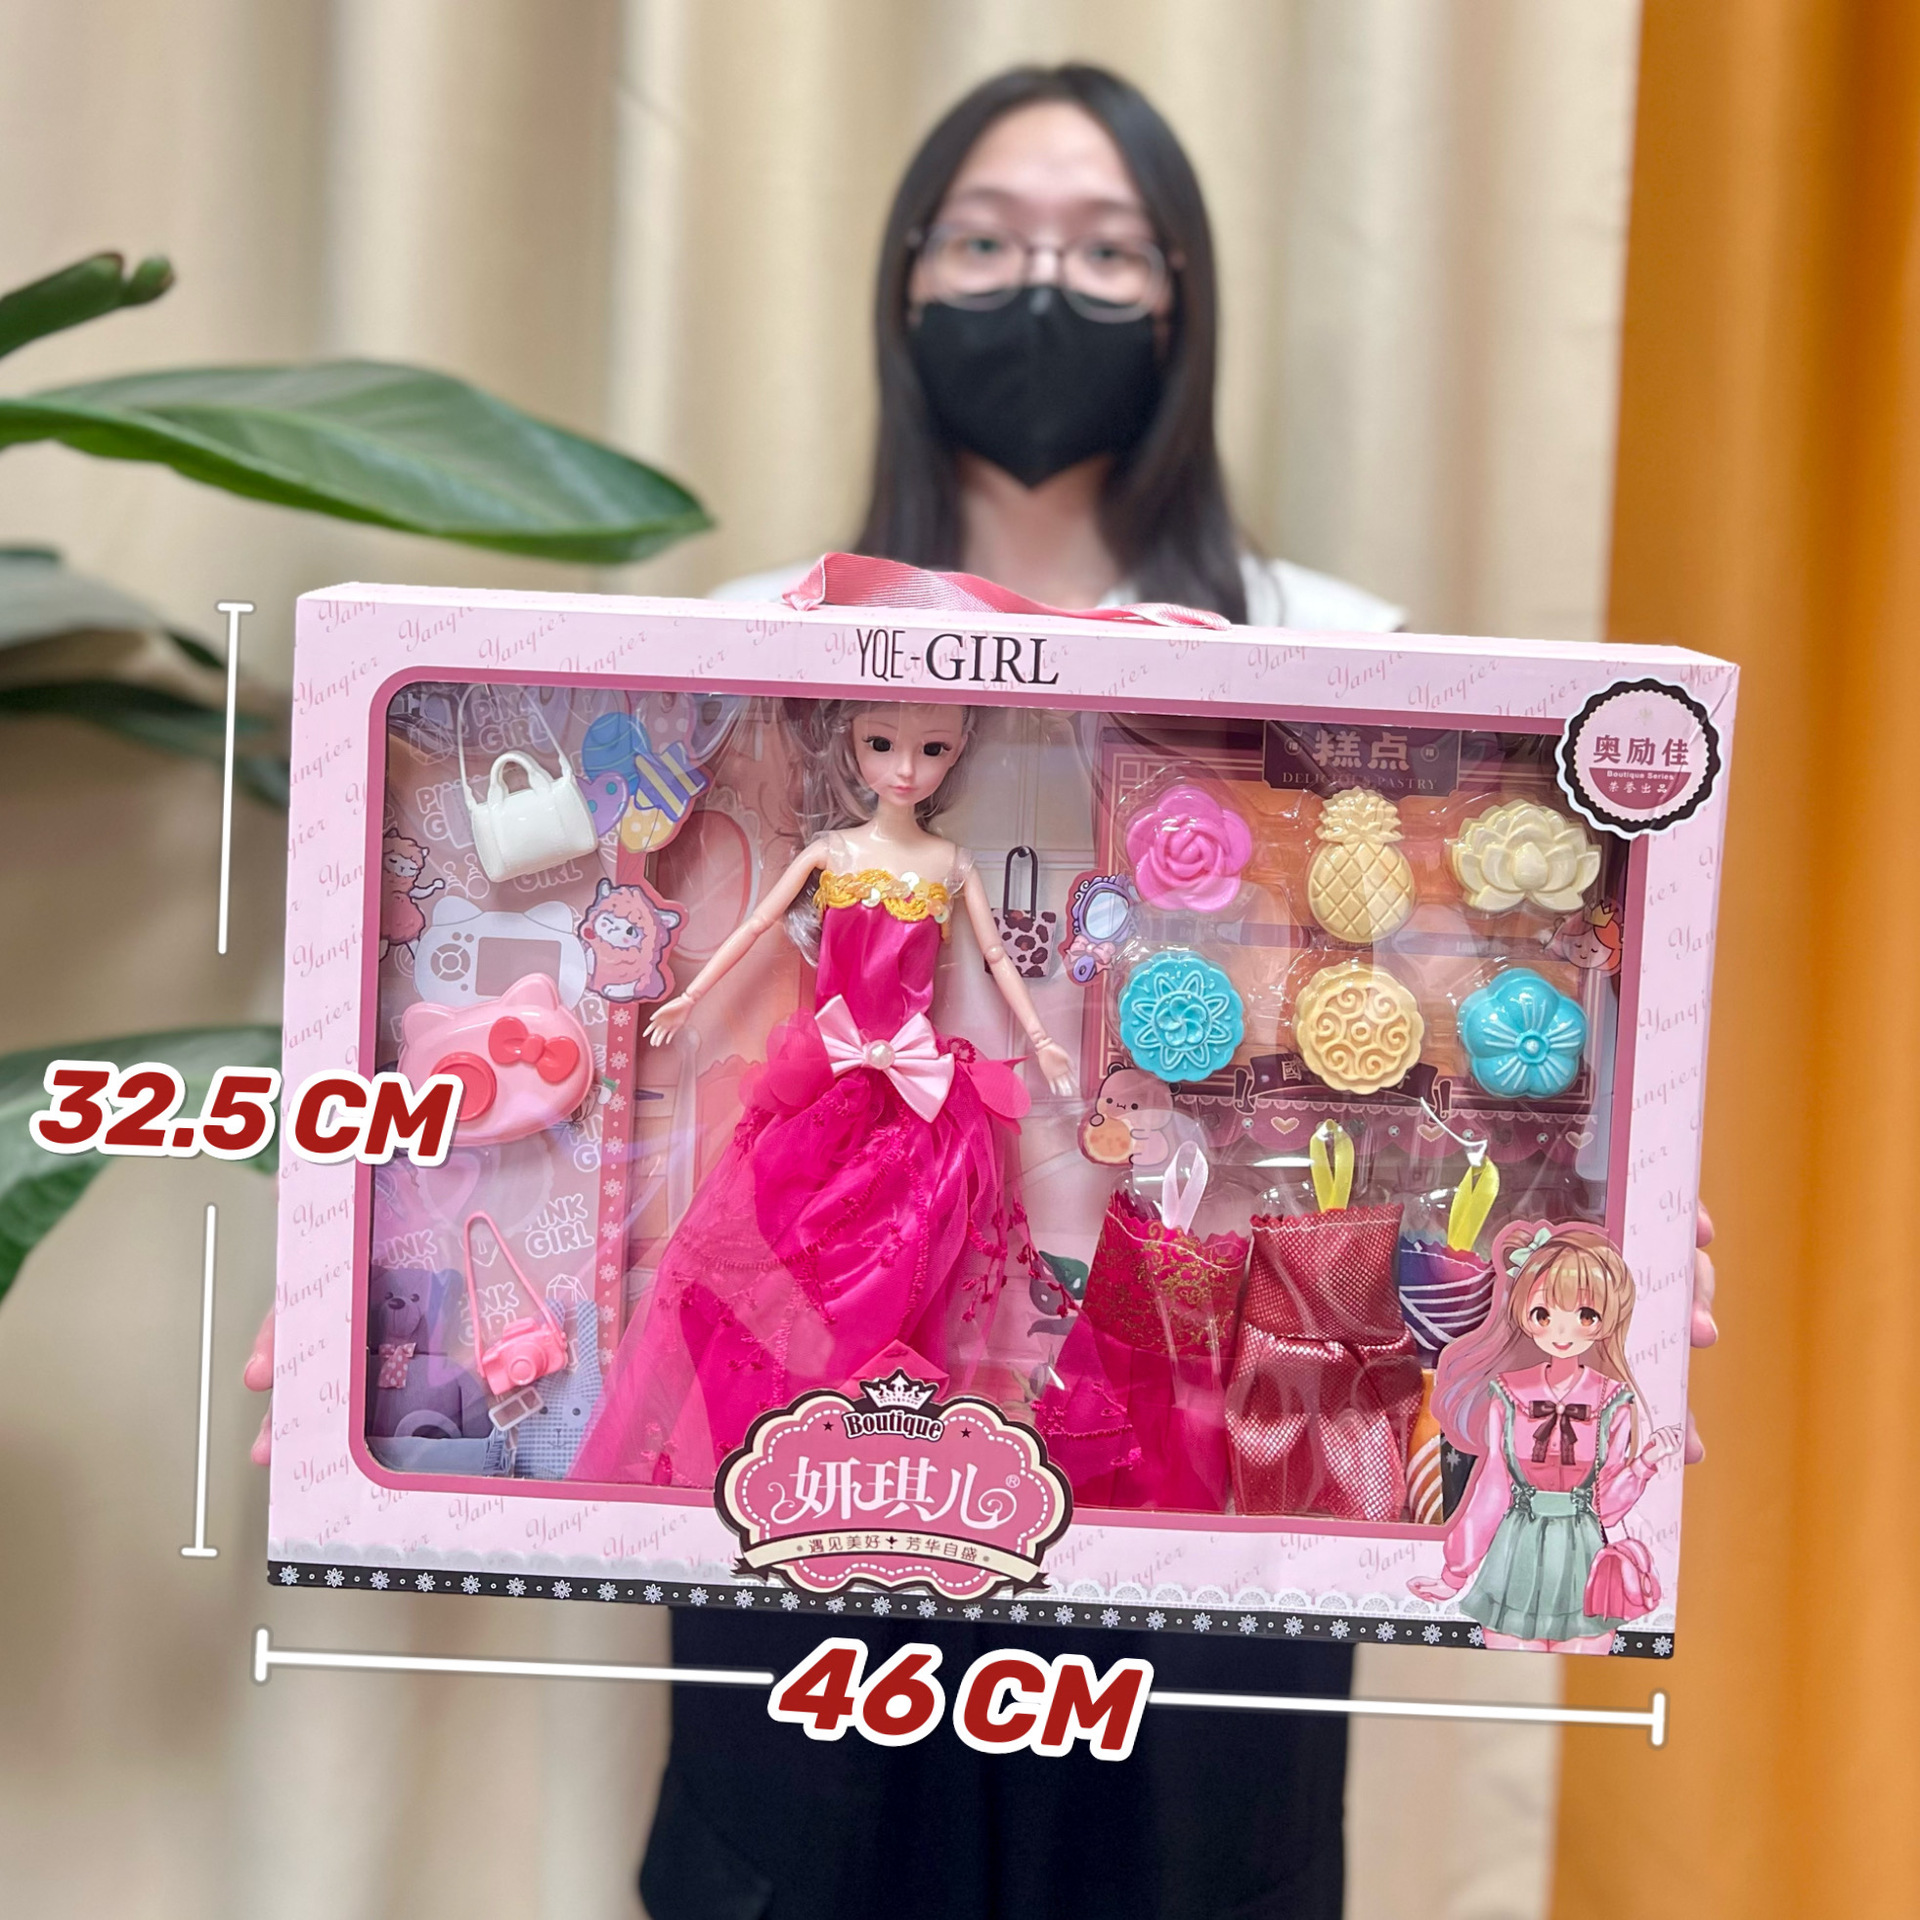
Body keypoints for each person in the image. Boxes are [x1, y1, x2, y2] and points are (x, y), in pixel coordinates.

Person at [247, 60, 1718, 1919]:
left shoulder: (1348, 658)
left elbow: (1489, 1039)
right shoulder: (746, 645)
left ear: (1181, 302)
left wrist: (1611, 1227)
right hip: (821, 1408)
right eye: (990, 243)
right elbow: (656, 988)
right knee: (800, 1858)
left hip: (1210, 1459)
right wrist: (380, 1240)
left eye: (1106, 253)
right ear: (907, 282)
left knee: (1197, 1872)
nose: (1044, 290)